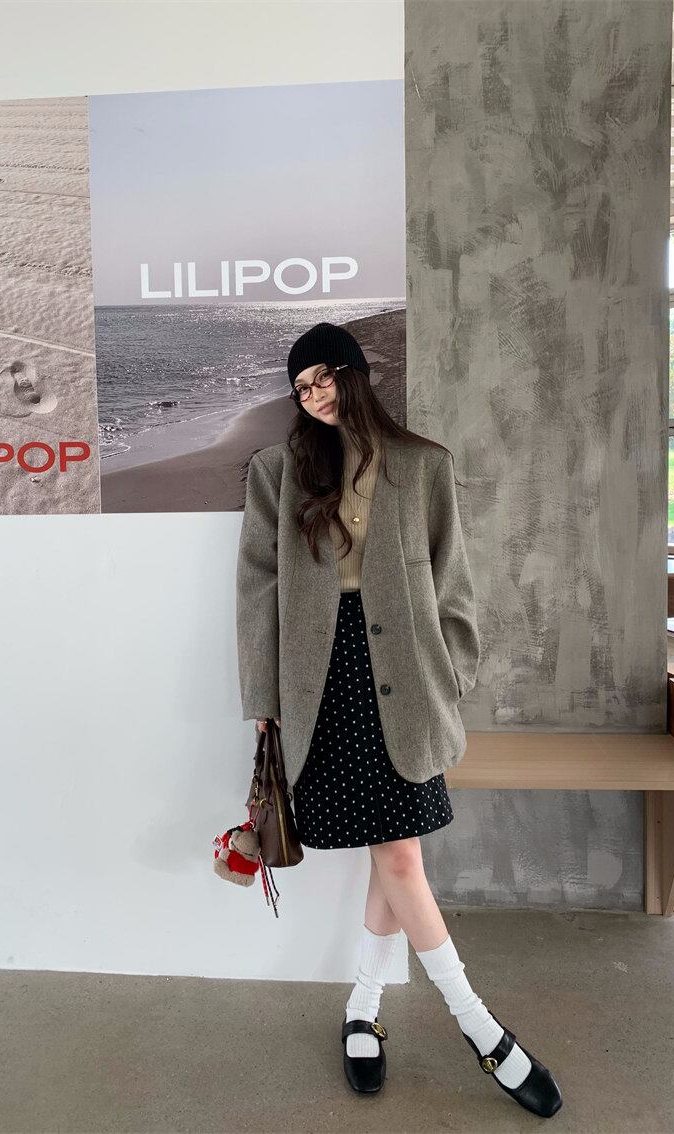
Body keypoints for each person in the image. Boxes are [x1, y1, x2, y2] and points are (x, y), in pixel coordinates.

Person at [236, 322, 562, 1118]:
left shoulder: (423, 466)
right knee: (399, 857)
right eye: (300, 387)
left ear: (355, 374)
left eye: (323, 377)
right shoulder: (278, 472)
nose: (313, 395)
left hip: (408, 680)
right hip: (322, 682)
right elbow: (256, 591)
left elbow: (454, 582)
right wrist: (265, 704)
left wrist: (453, 674)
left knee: (397, 857)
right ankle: (478, 1029)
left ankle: (370, 1010)